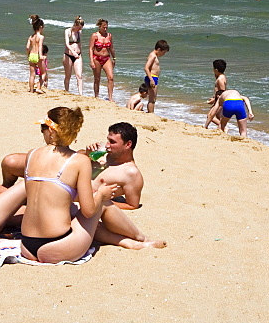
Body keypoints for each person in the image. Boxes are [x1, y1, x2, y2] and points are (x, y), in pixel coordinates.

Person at [19, 107, 163, 262]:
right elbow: (88, 211)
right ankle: (141, 238)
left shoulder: (31, 154)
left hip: (26, 245)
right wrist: (101, 194)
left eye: (44, 128)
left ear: (52, 131)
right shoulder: (80, 161)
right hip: (58, 245)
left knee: (76, 210)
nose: (43, 132)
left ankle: (128, 242)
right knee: (100, 202)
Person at [0, 121, 148, 210]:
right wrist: (86, 154)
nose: (107, 145)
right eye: (107, 140)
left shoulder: (131, 174)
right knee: (11, 162)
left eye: (112, 142)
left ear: (128, 145)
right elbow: (77, 160)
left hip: (64, 194)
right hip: (62, 176)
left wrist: (99, 200)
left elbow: (132, 205)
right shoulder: (105, 157)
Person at [89, 18, 116, 101]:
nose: (105, 29)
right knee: (97, 78)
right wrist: (91, 60)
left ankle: (110, 98)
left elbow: (111, 48)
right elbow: (91, 48)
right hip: (96, 58)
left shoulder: (109, 36)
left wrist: (114, 58)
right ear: (99, 26)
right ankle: (96, 96)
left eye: (106, 27)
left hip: (106, 58)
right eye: (103, 27)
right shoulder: (95, 35)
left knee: (110, 77)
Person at [142, 40, 170, 114]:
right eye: (163, 52)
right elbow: (146, 68)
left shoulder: (153, 55)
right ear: (159, 49)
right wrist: (151, 80)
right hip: (152, 77)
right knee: (152, 99)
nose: (163, 54)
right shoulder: (153, 56)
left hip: (153, 77)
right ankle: (151, 113)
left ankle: (150, 112)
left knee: (152, 98)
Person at [63, 16, 85, 95]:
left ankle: (80, 94)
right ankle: (66, 91)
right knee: (68, 75)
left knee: (79, 76)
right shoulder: (67, 31)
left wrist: (79, 53)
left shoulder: (79, 32)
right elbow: (67, 44)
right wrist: (73, 52)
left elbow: (79, 44)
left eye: (81, 28)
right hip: (68, 55)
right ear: (75, 25)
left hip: (78, 56)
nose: (80, 29)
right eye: (79, 27)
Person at [26, 14, 45, 93]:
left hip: (31, 55)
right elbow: (40, 46)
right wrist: (40, 55)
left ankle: (31, 90)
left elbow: (27, 47)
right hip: (37, 55)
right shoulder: (40, 37)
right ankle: (38, 87)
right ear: (40, 27)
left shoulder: (31, 37)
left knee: (32, 74)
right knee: (43, 73)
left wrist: (28, 54)